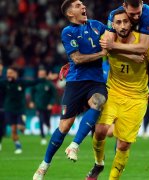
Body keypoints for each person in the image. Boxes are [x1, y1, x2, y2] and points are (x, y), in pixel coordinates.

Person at [33, 0, 108, 179]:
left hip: (96, 80)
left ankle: (74, 145)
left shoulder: (97, 26)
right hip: (76, 82)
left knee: (98, 102)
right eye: (77, 5)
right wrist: (102, 54)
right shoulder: (68, 32)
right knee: (65, 126)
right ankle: (44, 165)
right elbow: (78, 59)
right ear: (69, 14)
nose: (83, 7)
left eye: (83, 4)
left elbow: (115, 35)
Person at [86, 9, 149, 180]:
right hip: (113, 90)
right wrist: (132, 55)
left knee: (124, 144)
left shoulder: (146, 42)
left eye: (126, 21)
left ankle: (113, 178)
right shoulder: (107, 38)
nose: (123, 25)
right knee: (100, 130)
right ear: (113, 24)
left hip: (137, 96)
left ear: (132, 23)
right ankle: (98, 163)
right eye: (118, 22)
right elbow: (99, 50)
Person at [0, 66, 37, 154]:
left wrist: (45, 79)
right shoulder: (4, 82)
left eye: (10, 73)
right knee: (13, 130)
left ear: (15, 73)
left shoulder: (21, 82)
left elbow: (34, 82)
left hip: (20, 109)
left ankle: (23, 129)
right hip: (9, 109)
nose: (8, 75)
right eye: (7, 73)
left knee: (21, 127)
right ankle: (18, 145)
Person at [29, 67, 57, 145]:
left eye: (43, 74)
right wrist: (32, 101)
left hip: (47, 106)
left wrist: (51, 103)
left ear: (45, 75)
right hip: (39, 106)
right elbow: (32, 93)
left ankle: (48, 125)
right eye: (40, 74)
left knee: (46, 120)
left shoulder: (49, 84)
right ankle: (43, 137)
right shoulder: (36, 84)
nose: (41, 75)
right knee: (41, 120)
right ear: (38, 75)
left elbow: (54, 95)